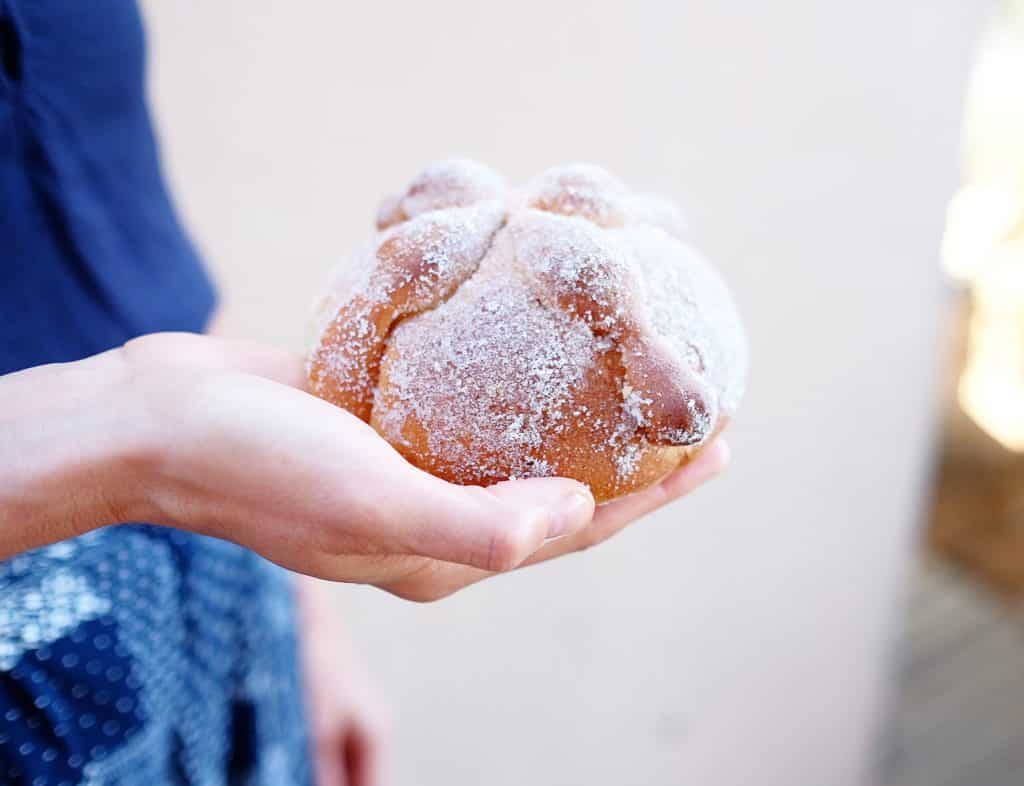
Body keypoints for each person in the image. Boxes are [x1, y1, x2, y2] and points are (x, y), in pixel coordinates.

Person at [0, 2, 727, 784]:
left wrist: (306, 625)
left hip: (207, 577)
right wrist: (128, 441)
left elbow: (125, 233)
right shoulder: (147, 441)